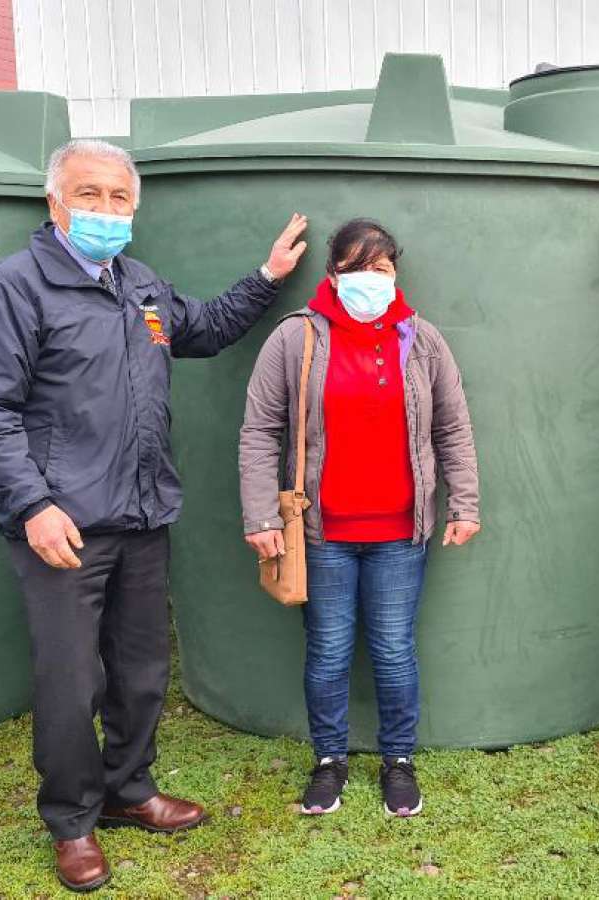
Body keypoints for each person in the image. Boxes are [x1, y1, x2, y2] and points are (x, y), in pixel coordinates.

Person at [0, 139, 307, 893]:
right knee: (69, 681)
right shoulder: (15, 288)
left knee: (143, 670)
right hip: (64, 528)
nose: (106, 211)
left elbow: (203, 330)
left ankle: (129, 790)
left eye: (119, 199)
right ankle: (73, 822)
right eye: (89, 196)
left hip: (143, 516)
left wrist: (268, 278)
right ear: (55, 204)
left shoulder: (138, 285)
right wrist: (35, 505)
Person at [238, 218, 480, 819]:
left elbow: (453, 426)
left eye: (381, 268)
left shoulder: (420, 340)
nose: (370, 279)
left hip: (401, 531)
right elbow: (260, 432)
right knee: (327, 651)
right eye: (355, 268)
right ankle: (330, 760)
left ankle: (398, 759)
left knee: (395, 650)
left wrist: (466, 503)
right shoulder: (296, 340)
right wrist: (260, 513)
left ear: (395, 273)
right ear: (332, 275)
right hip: (322, 535)